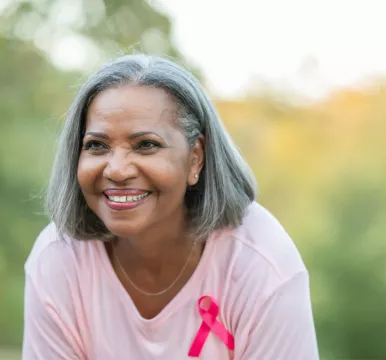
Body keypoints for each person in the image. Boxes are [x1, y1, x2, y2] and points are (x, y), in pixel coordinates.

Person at [22, 54, 319, 359]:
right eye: (97, 145)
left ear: (196, 157)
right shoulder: (58, 260)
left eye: (146, 145)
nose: (117, 170)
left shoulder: (261, 263)